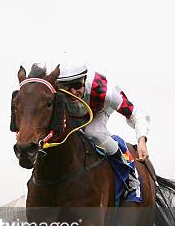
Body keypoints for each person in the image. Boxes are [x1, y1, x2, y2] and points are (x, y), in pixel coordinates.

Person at [56, 63, 150, 198]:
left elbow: (135, 114)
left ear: (84, 80)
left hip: (99, 109)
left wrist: (142, 142)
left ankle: (129, 171)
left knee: (93, 132)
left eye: (77, 86)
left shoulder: (104, 92)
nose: (72, 92)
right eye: (65, 87)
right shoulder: (52, 90)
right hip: (74, 113)